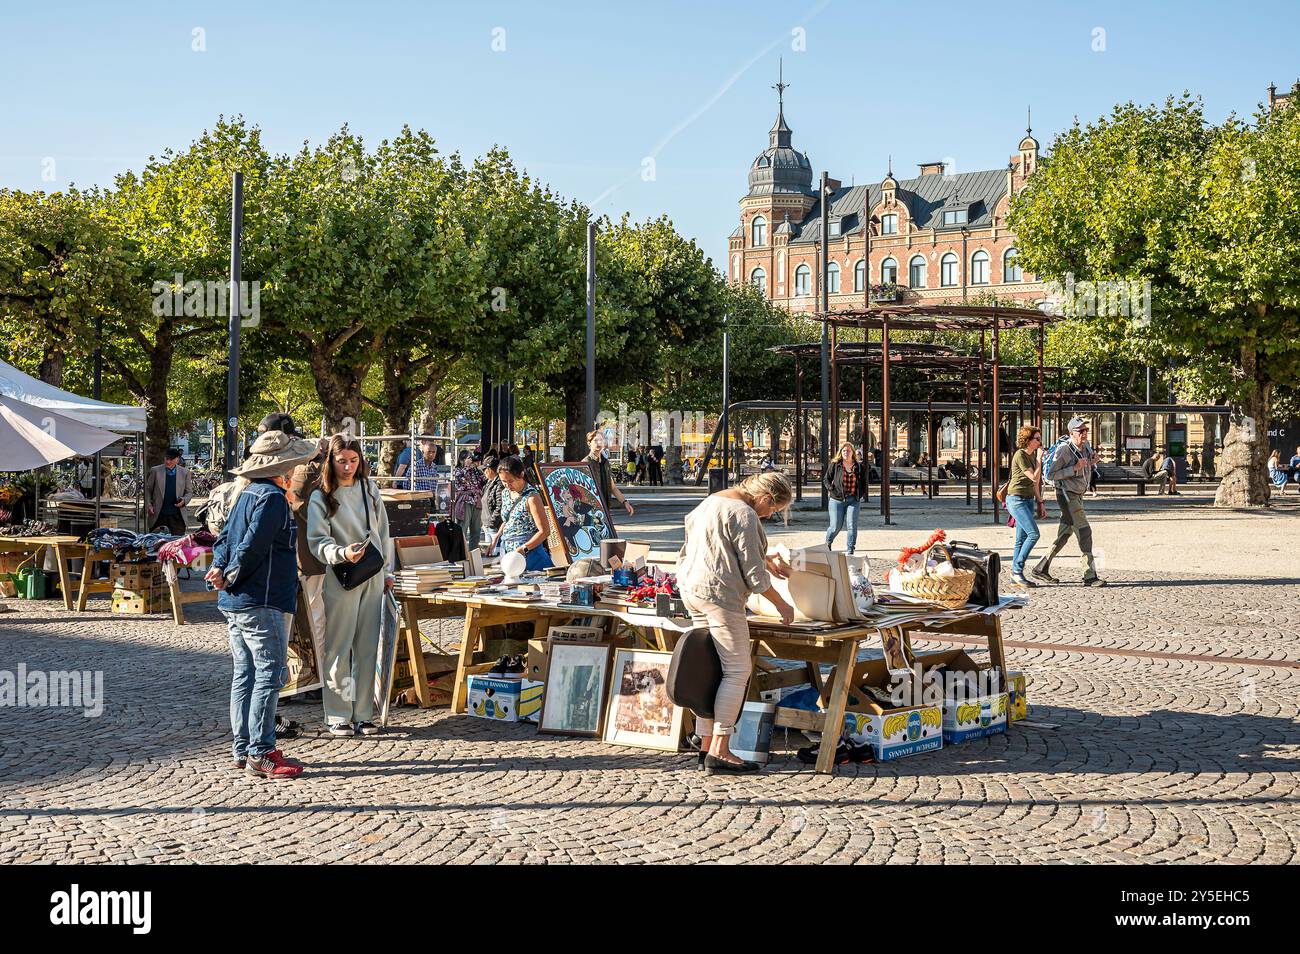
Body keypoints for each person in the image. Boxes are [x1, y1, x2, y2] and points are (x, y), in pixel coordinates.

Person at [207, 430, 319, 779]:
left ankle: (244, 749)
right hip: (262, 598)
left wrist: (219, 569)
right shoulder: (271, 498)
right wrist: (232, 573)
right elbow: (252, 547)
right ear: (283, 466)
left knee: (246, 675)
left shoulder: (246, 493)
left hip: (239, 600)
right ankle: (261, 751)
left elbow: (224, 539)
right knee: (269, 674)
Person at [676, 472, 795, 776]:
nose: (769, 516)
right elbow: (754, 577)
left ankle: (704, 744)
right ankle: (720, 749)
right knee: (737, 670)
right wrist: (781, 604)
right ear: (766, 499)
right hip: (720, 596)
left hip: (693, 590)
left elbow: (709, 548)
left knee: (710, 668)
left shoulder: (709, 503)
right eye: (774, 510)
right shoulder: (745, 514)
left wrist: (763, 556)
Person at [308, 435, 393, 737]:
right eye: (342, 461)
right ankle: (338, 713)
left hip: (372, 572)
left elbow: (383, 531)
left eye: (353, 460)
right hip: (342, 573)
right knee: (339, 645)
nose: (348, 466)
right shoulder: (321, 496)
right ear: (330, 460)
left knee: (368, 645)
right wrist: (342, 553)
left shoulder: (369, 489)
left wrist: (388, 568)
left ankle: (363, 713)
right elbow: (317, 540)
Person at [1032, 417, 1105, 587]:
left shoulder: (1086, 446)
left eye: (1086, 430)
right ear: (1072, 433)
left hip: (1078, 495)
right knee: (1085, 531)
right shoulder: (1064, 450)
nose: (1084, 433)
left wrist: (1092, 462)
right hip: (1066, 495)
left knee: (1064, 534)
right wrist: (1074, 468)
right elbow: (1050, 475)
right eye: (1080, 431)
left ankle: (1041, 567)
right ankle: (1089, 575)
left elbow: (1085, 466)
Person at [289, 436, 331, 646]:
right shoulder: (322, 469)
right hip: (321, 553)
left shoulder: (306, 471)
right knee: (319, 609)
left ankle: (318, 665)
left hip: (310, 552)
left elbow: (299, 507)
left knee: (314, 609)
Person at [489, 456, 554, 571]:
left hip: (530, 553)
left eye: (511, 481)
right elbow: (507, 520)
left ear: (521, 475)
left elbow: (544, 531)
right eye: (503, 481)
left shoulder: (532, 497)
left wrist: (523, 549)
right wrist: (496, 537)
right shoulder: (505, 493)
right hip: (509, 552)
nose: (507, 485)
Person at [1006, 425, 1048, 588]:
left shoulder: (1031, 456)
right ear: (1028, 440)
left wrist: (1040, 502)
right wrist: (1039, 460)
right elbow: (1032, 477)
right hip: (1016, 500)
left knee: (1021, 539)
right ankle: (1017, 570)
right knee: (1033, 534)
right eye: (1037, 439)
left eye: (1039, 438)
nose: (1040, 442)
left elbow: (1035, 484)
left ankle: (1015, 575)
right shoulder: (1021, 455)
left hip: (1028, 500)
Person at [823, 441, 867, 556]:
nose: (846, 452)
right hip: (836, 500)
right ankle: (827, 543)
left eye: (848, 450)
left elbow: (864, 482)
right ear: (840, 452)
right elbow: (826, 479)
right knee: (835, 527)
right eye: (843, 451)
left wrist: (860, 494)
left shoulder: (858, 466)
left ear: (852, 452)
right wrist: (830, 488)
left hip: (853, 500)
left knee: (852, 525)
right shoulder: (836, 464)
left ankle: (850, 550)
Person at [585, 431, 635, 518]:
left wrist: (625, 502)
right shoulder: (586, 463)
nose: (599, 443)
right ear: (589, 443)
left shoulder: (605, 462)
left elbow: (613, 487)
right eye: (595, 440)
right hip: (592, 511)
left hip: (605, 508)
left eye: (601, 440)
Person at [145, 447, 192, 536]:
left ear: (177, 460)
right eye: (166, 458)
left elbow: (189, 492)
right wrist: (149, 505)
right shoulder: (155, 470)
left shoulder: (185, 472)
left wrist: (184, 500)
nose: (168, 462)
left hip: (177, 515)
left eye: (171, 459)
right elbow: (148, 490)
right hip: (158, 514)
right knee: (156, 542)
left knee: (176, 542)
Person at [451, 450, 486, 550]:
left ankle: (473, 552)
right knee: (462, 529)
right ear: (462, 460)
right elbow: (462, 484)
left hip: (476, 501)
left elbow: (483, 480)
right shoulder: (457, 470)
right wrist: (467, 468)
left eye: (471, 457)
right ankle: (459, 552)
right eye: (468, 458)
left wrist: (479, 468)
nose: (471, 460)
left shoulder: (475, 470)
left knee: (476, 530)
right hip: (465, 501)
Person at [481, 456, 505, 546]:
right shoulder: (489, 482)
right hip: (488, 524)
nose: (484, 472)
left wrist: (492, 523)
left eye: (485, 469)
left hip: (494, 526)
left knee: (495, 554)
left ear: (490, 469)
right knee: (491, 553)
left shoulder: (499, 484)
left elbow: (500, 506)